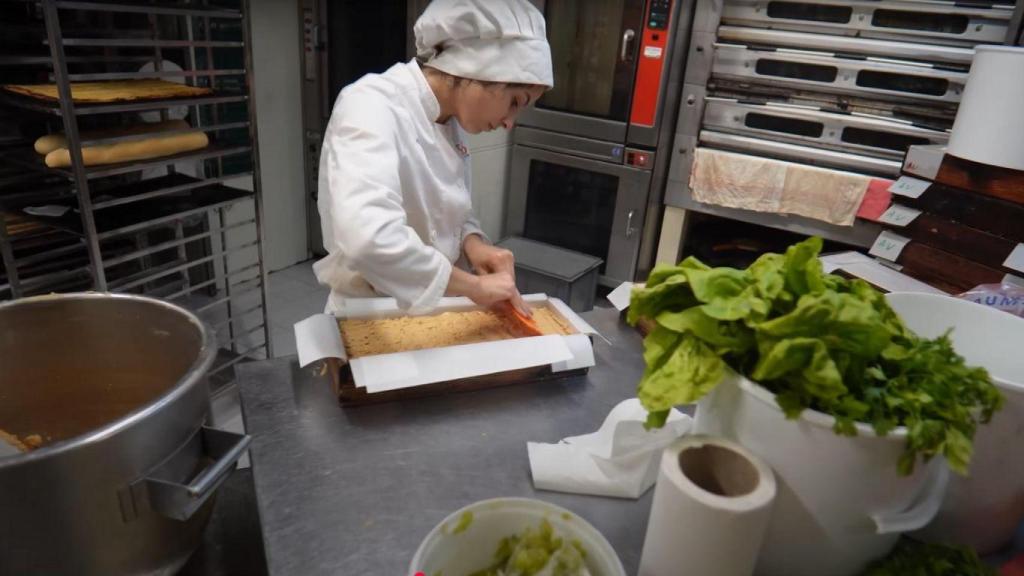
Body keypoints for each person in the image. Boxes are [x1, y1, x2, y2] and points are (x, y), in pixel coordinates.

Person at [314, 0, 553, 315]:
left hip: (426, 312)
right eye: (514, 102)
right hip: (369, 314)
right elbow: (368, 238)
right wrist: (474, 287)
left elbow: (446, 208)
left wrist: (473, 243)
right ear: (480, 71)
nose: (510, 123)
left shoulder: (450, 119)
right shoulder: (370, 105)